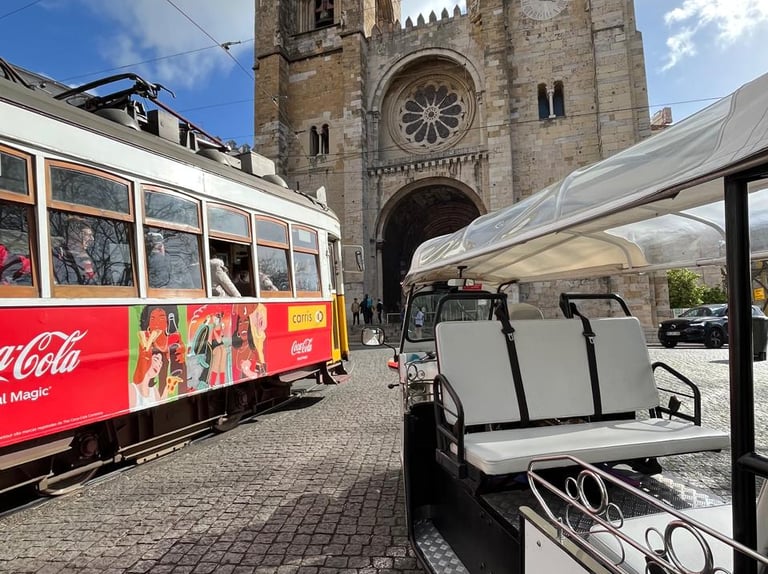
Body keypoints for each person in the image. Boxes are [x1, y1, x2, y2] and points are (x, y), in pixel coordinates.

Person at [52, 217, 98, 285]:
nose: (92, 239)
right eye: (88, 235)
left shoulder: (86, 258)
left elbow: (91, 283)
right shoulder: (55, 255)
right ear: (74, 234)